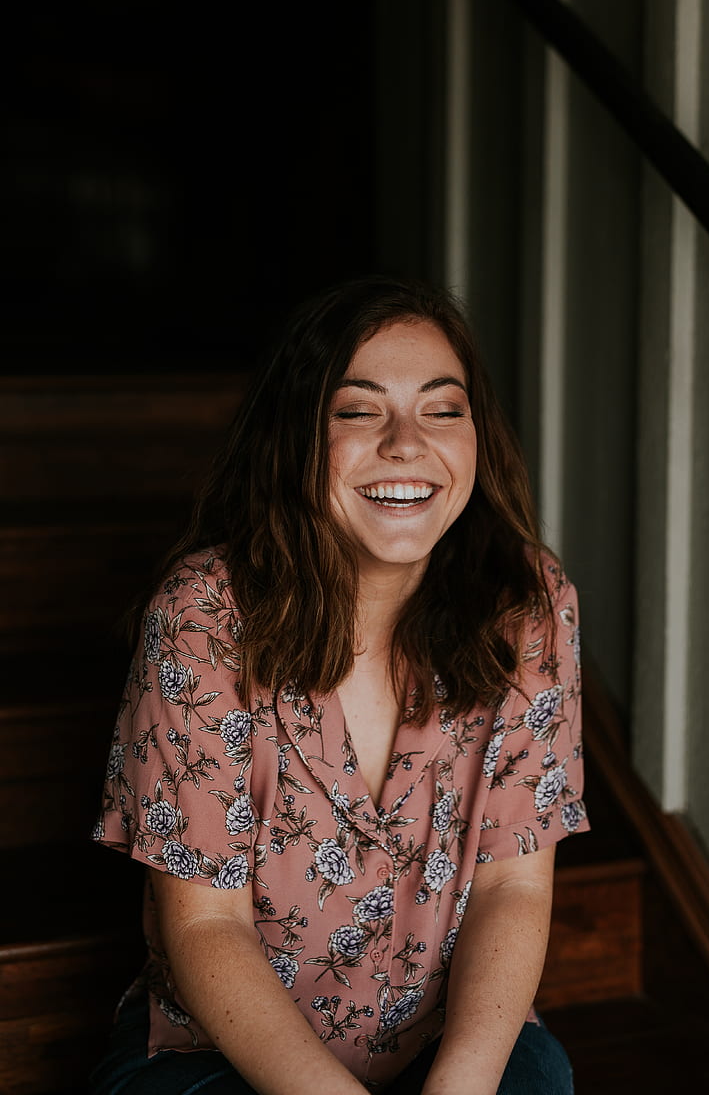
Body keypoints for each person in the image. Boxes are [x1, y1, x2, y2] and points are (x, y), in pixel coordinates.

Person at [88, 275, 590, 1095]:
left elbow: (511, 885)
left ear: (477, 438)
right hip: (226, 1051)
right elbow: (207, 923)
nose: (405, 442)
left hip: (441, 1035)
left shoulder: (526, 606)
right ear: (296, 437)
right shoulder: (205, 614)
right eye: (359, 411)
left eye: (442, 408)